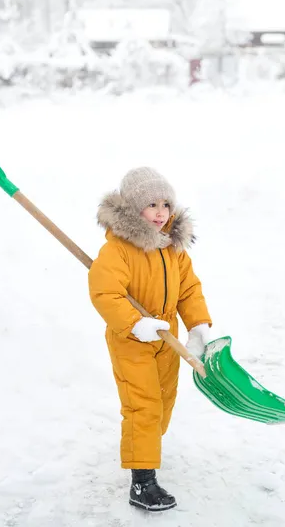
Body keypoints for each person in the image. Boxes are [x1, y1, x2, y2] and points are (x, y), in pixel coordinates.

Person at [88, 167, 212, 512]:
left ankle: (144, 450)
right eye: (151, 205)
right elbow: (105, 294)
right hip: (132, 340)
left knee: (163, 402)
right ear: (131, 209)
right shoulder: (117, 252)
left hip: (166, 337)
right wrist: (134, 323)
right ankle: (142, 482)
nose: (161, 213)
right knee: (143, 406)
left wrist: (198, 325)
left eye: (166, 204)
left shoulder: (173, 249)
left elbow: (189, 289)